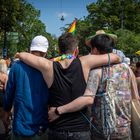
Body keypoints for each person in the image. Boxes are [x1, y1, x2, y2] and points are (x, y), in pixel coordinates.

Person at [15, 33, 120, 140]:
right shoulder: (85, 62)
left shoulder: (47, 66)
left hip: (57, 129)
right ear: (76, 50)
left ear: (59, 50)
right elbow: (115, 57)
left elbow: (23, 55)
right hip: (80, 130)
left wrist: (18, 54)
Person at [48, 34, 139, 140]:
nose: (90, 53)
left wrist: (58, 111)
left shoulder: (96, 72)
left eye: (90, 49)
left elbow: (87, 99)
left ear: (95, 50)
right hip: (124, 130)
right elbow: (135, 97)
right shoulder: (126, 68)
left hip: (101, 132)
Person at [3, 35, 49, 140]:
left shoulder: (16, 67)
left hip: (20, 125)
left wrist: (6, 112)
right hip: (41, 126)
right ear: (45, 52)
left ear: (30, 49)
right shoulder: (49, 68)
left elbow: (9, 93)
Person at [0, 59, 9, 140]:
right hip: (2, 97)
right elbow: (7, 89)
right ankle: (6, 130)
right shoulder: (5, 76)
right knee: (4, 117)